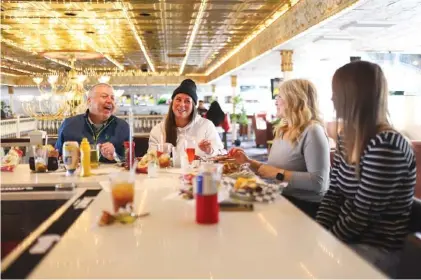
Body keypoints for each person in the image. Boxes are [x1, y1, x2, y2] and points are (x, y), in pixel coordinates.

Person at [315, 61, 416, 277]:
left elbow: (363, 214)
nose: (332, 99)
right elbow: (334, 194)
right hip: (348, 240)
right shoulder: (345, 138)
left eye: (336, 93)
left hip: (375, 248)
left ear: (352, 96)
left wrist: (325, 244)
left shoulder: (386, 144)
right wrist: (317, 232)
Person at [230, 79, 330, 218]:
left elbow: (319, 183)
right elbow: (272, 169)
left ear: (295, 99)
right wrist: (248, 161)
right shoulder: (283, 129)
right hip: (281, 197)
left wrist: (278, 174)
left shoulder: (312, 131)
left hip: (304, 207)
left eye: (280, 97)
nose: (276, 101)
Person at [149, 79, 224, 158]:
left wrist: (210, 150)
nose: (182, 104)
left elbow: (220, 152)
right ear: (172, 103)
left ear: (193, 107)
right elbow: (150, 159)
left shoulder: (206, 126)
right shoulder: (159, 130)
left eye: (187, 101)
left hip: (199, 170)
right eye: (178, 99)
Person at [55, 83, 130, 162]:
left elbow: (129, 161)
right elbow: (57, 157)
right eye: (104, 96)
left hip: (111, 174)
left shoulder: (123, 127)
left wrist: (114, 156)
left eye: (112, 98)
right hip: (78, 173)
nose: (110, 101)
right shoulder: (69, 125)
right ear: (89, 101)